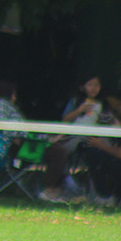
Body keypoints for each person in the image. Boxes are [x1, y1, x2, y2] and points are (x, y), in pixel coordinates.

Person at [39, 74, 105, 202]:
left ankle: (97, 193)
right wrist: (80, 110)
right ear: (82, 87)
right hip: (73, 135)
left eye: (96, 85)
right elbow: (65, 119)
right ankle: (60, 187)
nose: (93, 88)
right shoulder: (76, 101)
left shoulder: (103, 104)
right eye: (90, 85)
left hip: (93, 137)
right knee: (60, 153)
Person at [0, 80, 41, 170]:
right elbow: (2, 125)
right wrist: (16, 137)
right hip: (16, 145)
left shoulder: (1, 105)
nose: (15, 98)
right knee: (56, 152)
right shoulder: (2, 104)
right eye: (13, 94)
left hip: (19, 143)